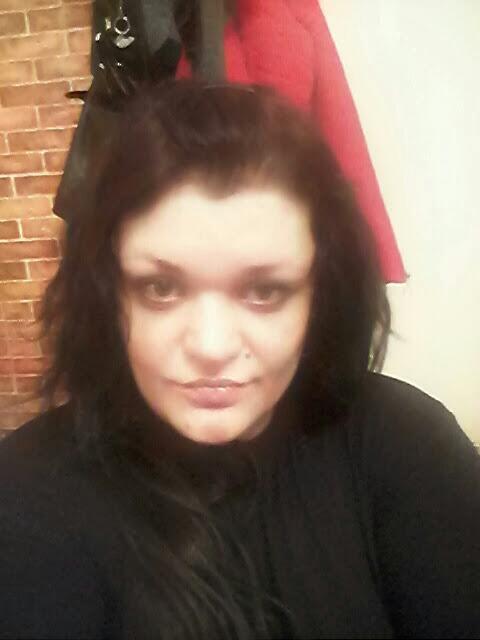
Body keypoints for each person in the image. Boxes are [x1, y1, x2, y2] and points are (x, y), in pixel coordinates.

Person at [0, 79, 478, 640]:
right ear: (107, 294)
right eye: (160, 288)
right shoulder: (29, 490)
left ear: (320, 295)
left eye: (264, 291)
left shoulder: (402, 444)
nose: (211, 345)